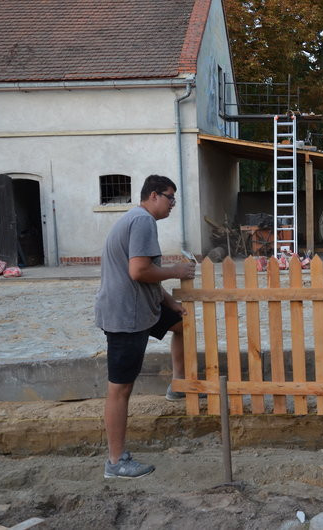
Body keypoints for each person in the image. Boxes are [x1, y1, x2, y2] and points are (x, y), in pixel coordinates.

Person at [95, 174, 196, 479]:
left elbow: (143, 273)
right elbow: (139, 271)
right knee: (120, 388)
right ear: (154, 195)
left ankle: (177, 385)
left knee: (180, 324)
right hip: (126, 316)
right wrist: (175, 271)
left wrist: (168, 303)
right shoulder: (142, 222)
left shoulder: (136, 220)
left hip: (142, 307)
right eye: (170, 197)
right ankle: (115, 461)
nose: (172, 204)